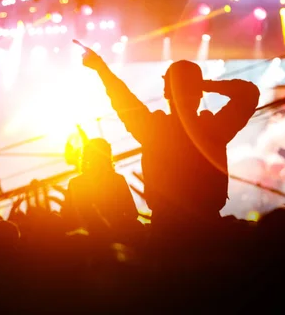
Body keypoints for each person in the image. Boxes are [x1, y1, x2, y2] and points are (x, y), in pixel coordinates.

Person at [80, 44, 260, 231]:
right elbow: (248, 93)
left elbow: (122, 98)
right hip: (208, 229)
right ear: (199, 93)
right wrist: (202, 84)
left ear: (166, 92)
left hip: (166, 231)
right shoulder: (213, 129)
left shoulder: (153, 129)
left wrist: (101, 68)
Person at [65, 138, 139, 240]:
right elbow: (132, 212)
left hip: (91, 239)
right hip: (119, 237)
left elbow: (69, 218)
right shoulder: (117, 179)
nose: (98, 159)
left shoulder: (76, 183)